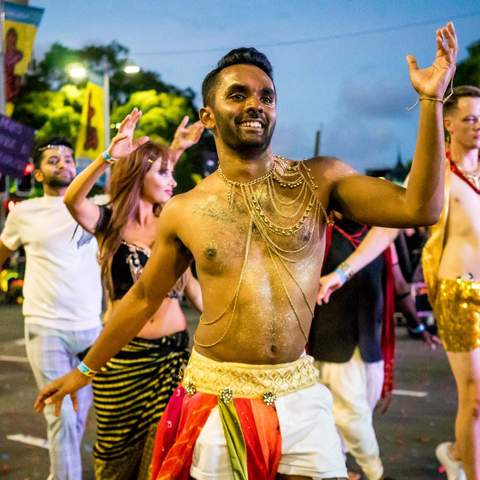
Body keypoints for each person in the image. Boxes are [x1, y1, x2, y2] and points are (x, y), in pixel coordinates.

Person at [35, 23, 457, 480]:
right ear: (209, 115)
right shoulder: (185, 210)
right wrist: (85, 369)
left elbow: (422, 207)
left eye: (267, 96)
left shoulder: (322, 179)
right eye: (238, 94)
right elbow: (141, 299)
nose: (256, 103)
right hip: (217, 395)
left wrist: (432, 101)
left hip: (298, 390)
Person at [316, 85, 480, 480]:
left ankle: (459, 451)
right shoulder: (434, 171)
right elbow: (389, 227)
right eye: (471, 119)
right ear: (449, 123)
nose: (478, 127)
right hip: (459, 293)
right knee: (474, 398)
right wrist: (340, 273)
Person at [63, 113, 204, 479]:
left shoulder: (173, 226)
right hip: (121, 361)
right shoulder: (109, 222)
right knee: (114, 463)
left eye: (172, 173)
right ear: (139, 174)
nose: (172, 181)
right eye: (164, 173)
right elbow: (73, 200)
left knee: (164, 462)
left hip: (173, 359)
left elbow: (193, 289)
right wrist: (108, 156)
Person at [0, 138, 103, 480]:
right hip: (45, 327)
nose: (63, 164)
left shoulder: (97, 206)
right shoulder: (25, 213)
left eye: (69, 158)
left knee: (77, 416)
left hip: (92, 329)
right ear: (39, 173)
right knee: (61, 414)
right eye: (53, 160)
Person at [311, 214, 437, 480]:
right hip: (333, 342)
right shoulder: (320, 234)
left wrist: (418, 326)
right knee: (351, 416)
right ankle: (375, 473)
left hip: (371, 343)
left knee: (357, 415)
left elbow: (400, 285)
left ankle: (338, 469)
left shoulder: (379, 237)